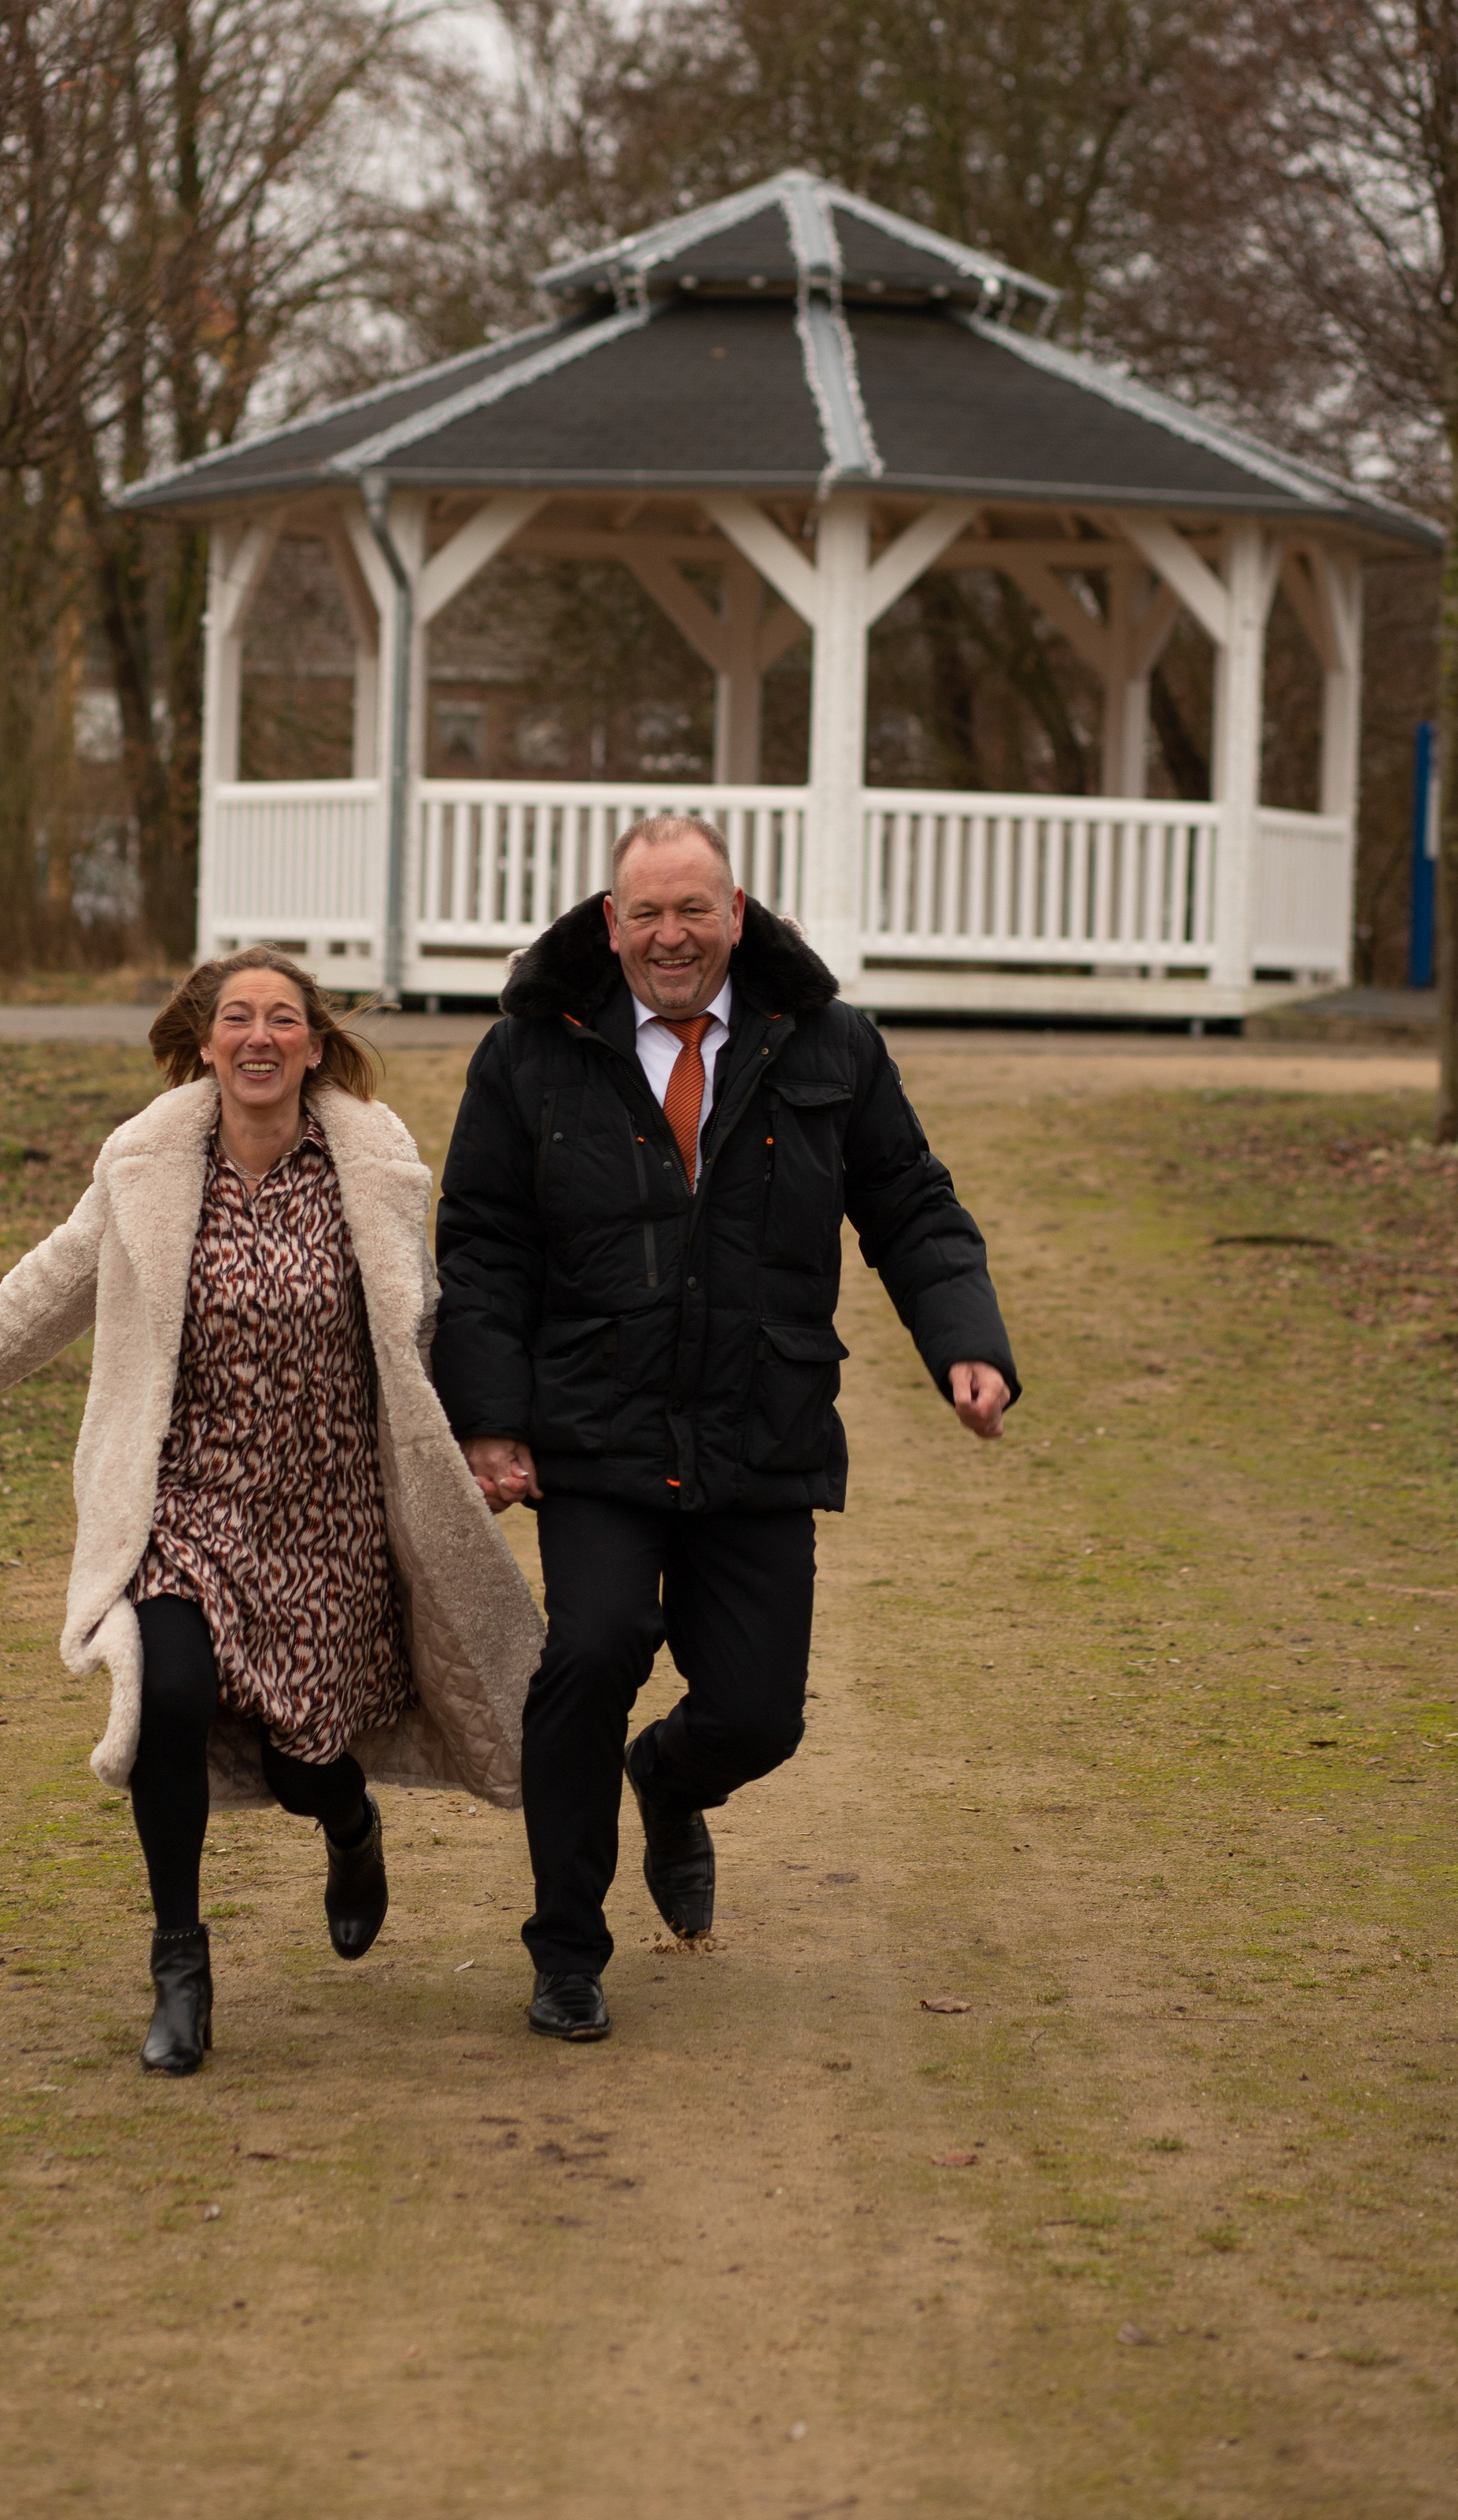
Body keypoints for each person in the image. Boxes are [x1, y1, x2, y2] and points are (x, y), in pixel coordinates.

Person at [0, 949, 542, 2075]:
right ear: (205, 1042)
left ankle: (346, 1822)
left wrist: (481, 1439)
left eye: (283, 1019)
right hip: (186, 1508)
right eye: (237, 1018)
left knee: (307, 1760)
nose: (260, 1038)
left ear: (315, 1046)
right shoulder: (145, 1167)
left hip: (328, 1522)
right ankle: (180, 1962)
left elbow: (425, 1326)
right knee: (168, 1698)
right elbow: (51, 1285)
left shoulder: (373, 1170)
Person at [433, 814, 1018, 2042]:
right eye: (646, 913)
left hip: (763, 1419)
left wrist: (965, 1338)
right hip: (596, 1421)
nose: (671, 936)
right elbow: (482, 1244)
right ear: (611, 924)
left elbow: (911, 1203)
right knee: (589, 1654)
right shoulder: (531, 1053)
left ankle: (670, 1779)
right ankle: (567, 1952)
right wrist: (489, 1418)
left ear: (737, 914)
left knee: (759, 1713)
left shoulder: (832, 1047)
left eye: (694, 909)